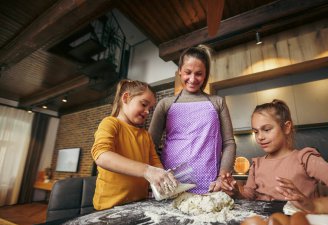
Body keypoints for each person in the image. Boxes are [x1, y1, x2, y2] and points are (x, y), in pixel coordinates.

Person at [222, 99, 328, 214]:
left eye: (266, 129)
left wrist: (311, 205)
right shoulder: (256, 164)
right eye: (256, 132)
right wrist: (236, 193)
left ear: (287, 127)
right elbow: (249, 198)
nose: (260, 137)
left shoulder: (305, 158)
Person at [148, 45, 236, 194]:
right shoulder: (166, 104)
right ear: (180, 72)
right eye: (188, 72)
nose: (193, 79)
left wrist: (222, 177)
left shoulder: (217, 102)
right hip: (171, 186)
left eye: (199, 74)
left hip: (210, 186)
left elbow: (228, 143)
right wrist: (159, 174)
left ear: (206, 74)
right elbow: (149, 145)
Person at [91, 79, 178, 210]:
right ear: (126, 98)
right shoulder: (110, 123)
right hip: (108, 208)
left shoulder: (145, 135)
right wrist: (147, 171)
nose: (148, 111)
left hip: (138, 206)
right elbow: (101, 155)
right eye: (144, 104)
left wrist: (164, 177)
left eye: (150, 108)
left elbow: (155, 163)